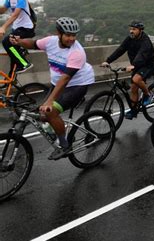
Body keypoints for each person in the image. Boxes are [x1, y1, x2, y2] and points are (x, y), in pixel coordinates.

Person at [9, 17, 94, 160]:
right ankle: (58, 130)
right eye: (68, 35)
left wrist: (50, 101)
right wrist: (19, 42)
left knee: (51, 111)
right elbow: (33, 43)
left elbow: (65, 79)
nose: (71, 38)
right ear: (59, 33)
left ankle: (65, 144)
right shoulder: (50, 41)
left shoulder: (77, 53)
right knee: (42, 114)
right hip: (58, 82)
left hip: (77, 84)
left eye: (74, 35)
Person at [100, 20, 154, 119]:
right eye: (130, 29)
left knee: (136, 79)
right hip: (137, 65)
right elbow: (121, 49)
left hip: (148, 65)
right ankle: (133, 111)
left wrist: (133, 65)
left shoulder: (145, 40)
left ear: (140, 30)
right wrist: (108, 61)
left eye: (134, 29)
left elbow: (142, 54)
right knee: (133, 88)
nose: (131, 31)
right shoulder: (130, 39)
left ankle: (148, 94)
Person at [0, 0, 35, 74]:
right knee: (14, 55)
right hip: (17, 29)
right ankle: (10, 83)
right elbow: (3, 10)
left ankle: (24, 63)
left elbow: (15, 15)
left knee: (7, 42)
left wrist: (3, 27)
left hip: (26, 29)